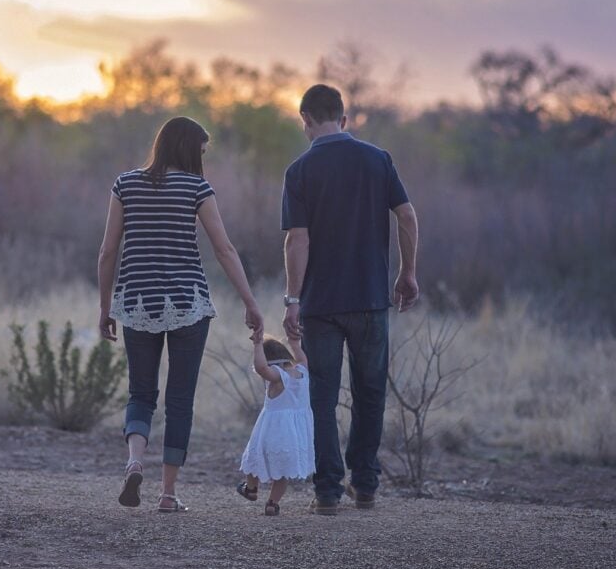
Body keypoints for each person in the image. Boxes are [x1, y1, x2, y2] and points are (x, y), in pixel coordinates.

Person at [98, 116, 263, 513]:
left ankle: (135, 460)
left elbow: (107, 252)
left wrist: (105, 308)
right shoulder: (197, 188)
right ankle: (168, 494)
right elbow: (224, 250)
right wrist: (250, 302)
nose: (203, 160)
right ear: (189, 149)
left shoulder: (125, 184)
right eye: (202, 151)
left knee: (141, 393)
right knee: (180, 400)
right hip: (188, 303)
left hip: (137, 302)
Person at [281, 84, 420, 515]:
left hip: (321, 304)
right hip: (370, 299)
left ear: (305, 119)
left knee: (322, 397)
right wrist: (407, 272)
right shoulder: (378, 160)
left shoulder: (300, 171)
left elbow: (297, 240)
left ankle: (327, 491)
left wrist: (292, 298)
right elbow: (407, 215)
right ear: (344, 118)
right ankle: (366, 485)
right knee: (370, 392)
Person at [236, 334, 315, 516]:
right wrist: (294, 343)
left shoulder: (278, 376)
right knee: (283, 470)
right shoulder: (302, 372)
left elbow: (261, 368)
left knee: (254, 458)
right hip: (295, 434)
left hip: (273, 430)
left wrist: (257, 345)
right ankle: (272, 503)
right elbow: (302, 358)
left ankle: (251, 488)